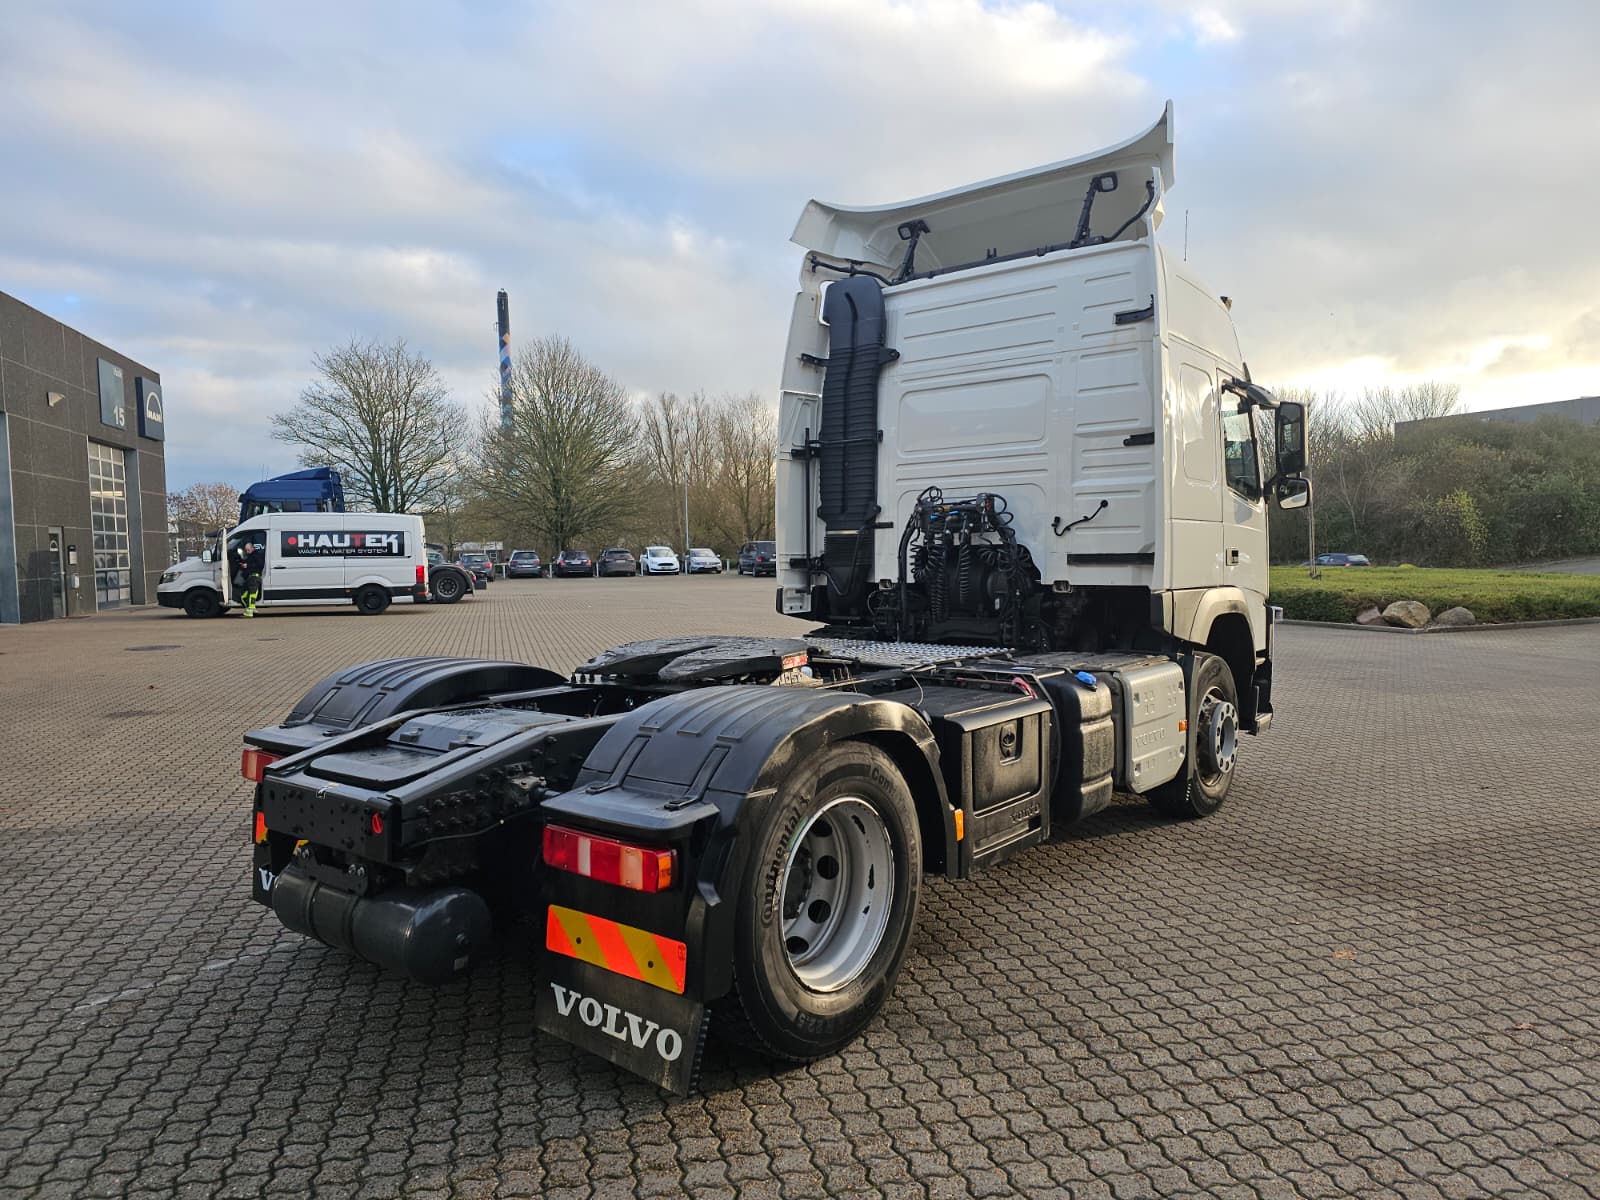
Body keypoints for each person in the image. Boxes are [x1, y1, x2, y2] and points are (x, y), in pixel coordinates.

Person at [240, 539, 265, 617]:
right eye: (246, 550)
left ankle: (249, 612)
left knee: (250, 595)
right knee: (249, 595)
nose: (247, 551)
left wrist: (247, 565)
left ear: (252, 548)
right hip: (252, 578)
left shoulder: (256, 555)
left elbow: (260, 565)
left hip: (254, 577)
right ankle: (252, 608)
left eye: (248, 549)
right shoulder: (250, 556)